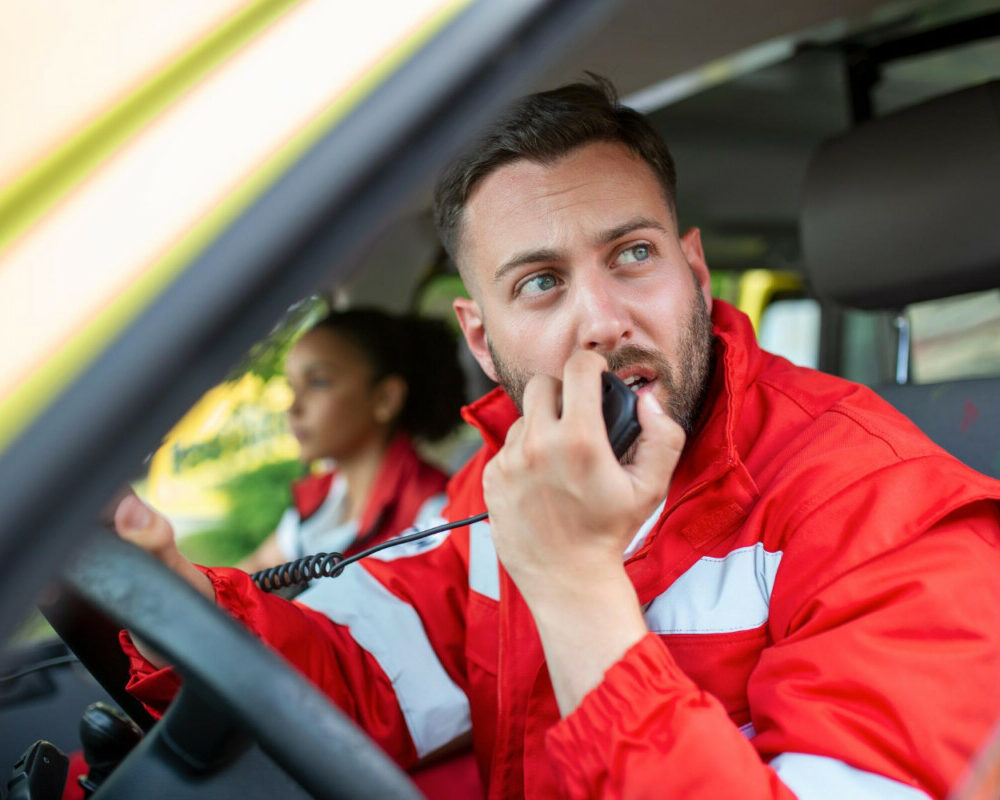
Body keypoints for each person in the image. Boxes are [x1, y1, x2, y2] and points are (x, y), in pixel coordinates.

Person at [113, 78, 1000, 800]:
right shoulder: (508, 480)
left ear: (693, 270)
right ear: (479, 336)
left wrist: (575, 584)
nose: (603, 322)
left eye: (632, 256)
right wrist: (174, 611)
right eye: (540, 283)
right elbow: (359, 676)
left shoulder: (889, 516)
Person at [237, 308, 465, 573]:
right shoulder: (325, 496)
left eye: (318, 382)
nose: (294, 408)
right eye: (292, 386)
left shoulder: (434, 515)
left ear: (385, 399)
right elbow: (252, 571)